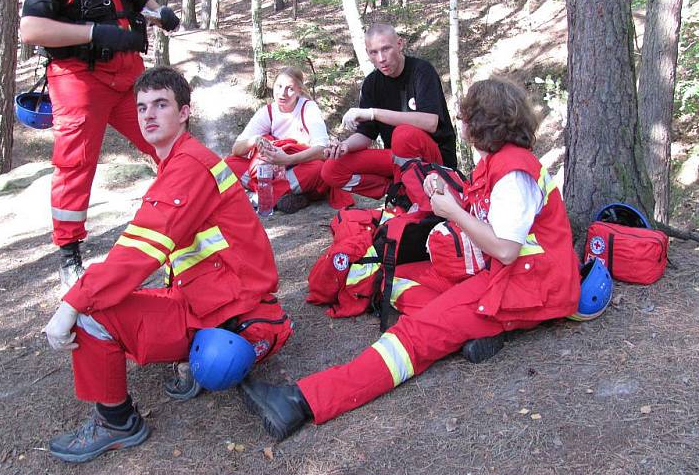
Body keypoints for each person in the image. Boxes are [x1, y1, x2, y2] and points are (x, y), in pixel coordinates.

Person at [240, 77, 580, 440]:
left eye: (466, 117)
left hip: (526, 286)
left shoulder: (513, 171)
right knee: (401, 282)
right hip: (509, 275)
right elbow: (491, 219)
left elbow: (506, 249)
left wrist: (453, 212)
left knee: (415, 335)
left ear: (483, 123)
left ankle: (300, 401)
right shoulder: (497, 162)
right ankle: (481, 334)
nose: (460, 124)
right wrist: (445, 196)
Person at [43, 67, 292, 463]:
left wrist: (71, 304)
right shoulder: (179, 161)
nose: (148, 115)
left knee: (92, 310)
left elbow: (140, 250)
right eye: (142, 107)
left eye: (161, 105)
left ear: (185, 112)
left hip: (225, 311)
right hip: (214, 300)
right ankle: (187, 356)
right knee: (108, 295)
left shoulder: (188, 165)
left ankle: (117, 422)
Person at [20, 0, 181, 288]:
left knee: (172, 144)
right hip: (79, 81)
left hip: (129, 78)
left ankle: (185, 217)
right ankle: (69, 252)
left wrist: (158, 13)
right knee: (76, 166)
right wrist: (95, 32)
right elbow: (31, 30)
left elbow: (137, 0)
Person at [320, 23, 457, 204]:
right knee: (331, 169)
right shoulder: (372, 83)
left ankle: (420, 199)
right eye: (374, 52)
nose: (381, 58)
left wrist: (373, 113)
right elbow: (366, 135)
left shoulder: (421, 71)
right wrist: (345, 146)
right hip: (397, 159)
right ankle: (397, 192)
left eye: (386, 49)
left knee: (403, 134)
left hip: (434, 158)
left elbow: (430, 122)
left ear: (399, 44)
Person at [226, 67, 348, 213]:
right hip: (271, 169)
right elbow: (236, 149)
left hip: (297, 167)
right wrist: (255, 140)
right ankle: (280, 198)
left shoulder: (308, 108)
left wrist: (287, 159)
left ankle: (258, 198)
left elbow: (322, 150)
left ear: (299, 91)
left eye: (290, 89)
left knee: (319, 169)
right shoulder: (268, 112)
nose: (282, 93)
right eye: (279, 86)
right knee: (229, 164)